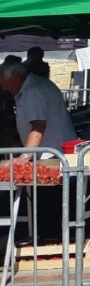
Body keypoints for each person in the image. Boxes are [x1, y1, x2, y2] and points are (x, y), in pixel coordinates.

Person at [0, 58, 77, 240]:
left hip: (51, 156)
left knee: (48, 205)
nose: (4, 89)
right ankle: (50, 238)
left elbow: (38, 126)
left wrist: (24, 157)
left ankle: (49, 240)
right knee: (51, 205)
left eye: (5, 84)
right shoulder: (35, 87)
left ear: (17, 76)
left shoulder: (33, 91)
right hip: (51, 154)